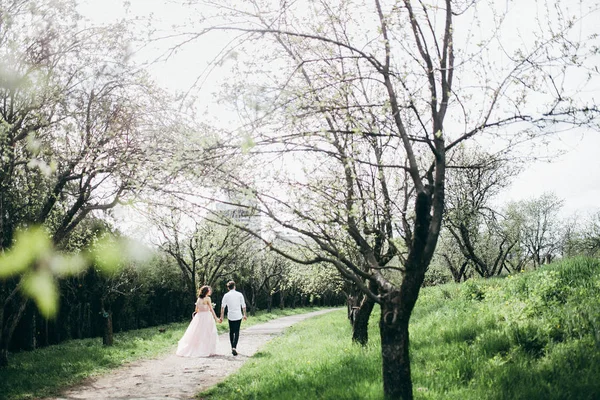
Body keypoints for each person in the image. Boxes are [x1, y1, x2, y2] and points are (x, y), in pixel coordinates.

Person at [176, 285, 220, 357]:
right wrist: (216, 318)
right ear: (206, 292)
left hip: (199, 317)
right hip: (207, 317)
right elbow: (211, 309)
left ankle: (197, 347)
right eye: (209, 290)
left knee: (198, 333)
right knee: (207, 333)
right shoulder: (208, 298)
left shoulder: (199, 299)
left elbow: (196, 310)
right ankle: (206, 349)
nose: (210, 291)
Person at [219, 280, 247, 356]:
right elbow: (243, 305)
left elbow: (223, 307)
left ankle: (232, 347)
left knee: (231, 331)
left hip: (230, 315)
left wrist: (221, 316)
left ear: (228, 288)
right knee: (237, 331)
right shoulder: (239, 294)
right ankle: (234, 347)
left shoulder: (226, 295)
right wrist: (245, 315)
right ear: (234, 286)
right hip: (238, 315)